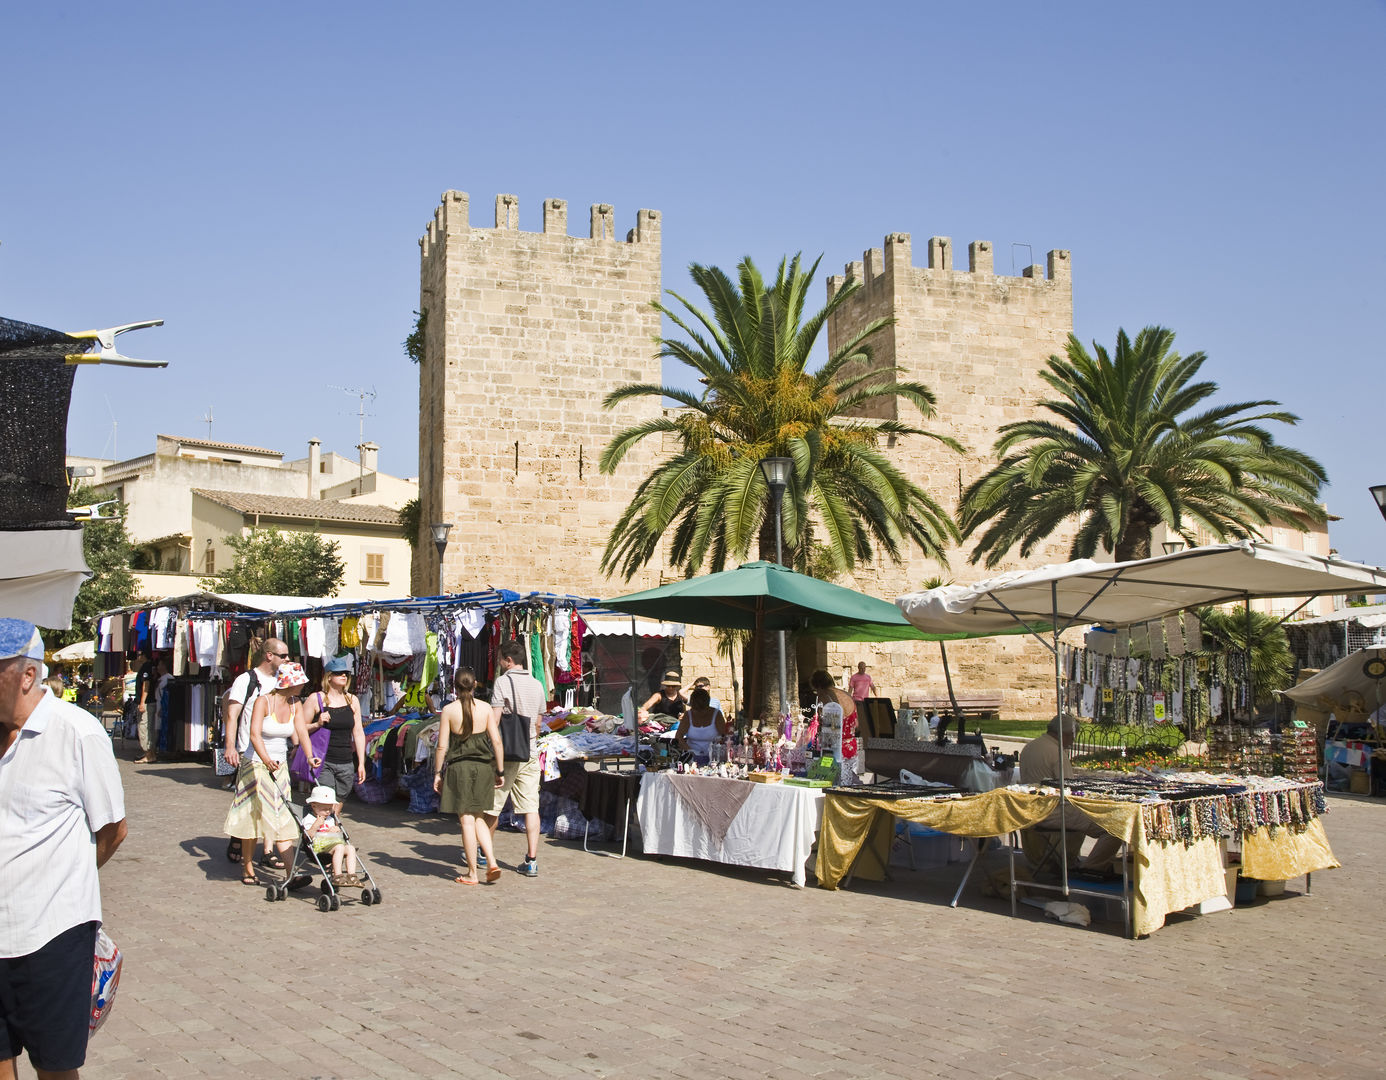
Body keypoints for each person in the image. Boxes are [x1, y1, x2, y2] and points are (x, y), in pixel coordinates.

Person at [0, 618, 127, 1079]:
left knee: (54, 1066)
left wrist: (61, 877)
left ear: (26, 676)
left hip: (52, 934)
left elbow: (113, 829)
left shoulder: (78, 733)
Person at [224, 661, 306, 886]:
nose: (302, 686)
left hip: (280, 767)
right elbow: (254, 735)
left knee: (281, 814)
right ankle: (248, 867)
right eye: (299, 682)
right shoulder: (263, 701)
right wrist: (266, 759)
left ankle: (290, 873)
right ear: (289, 683)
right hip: (256, 764)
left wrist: (309, 756)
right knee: (257, 816)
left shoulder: (295, 703)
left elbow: (301, 732)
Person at [1018, 715, 1124, 874]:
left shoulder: (1031, 746)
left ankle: (1067, 859)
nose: (1073, 741)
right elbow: (1069, 789)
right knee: (1116, 826)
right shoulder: (1056, 752)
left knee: (1083, 820)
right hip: (1053, 810)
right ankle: (1092, 866)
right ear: (1065, 734)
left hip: (1033, 807)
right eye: (1073, 737)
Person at [434, 668, 504, 886]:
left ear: (455, 686)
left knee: (466, 821)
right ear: (475, 685)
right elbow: (497, 742)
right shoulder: (485, 709)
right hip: (483, 768)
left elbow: (442, 746)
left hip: (460, 769)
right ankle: (491, 861)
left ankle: (472, 873)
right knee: (479, 817)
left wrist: (437, 773)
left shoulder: (448, 710)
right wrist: (499, 770)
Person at [221, 638, 285, 865]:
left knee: (273, 802)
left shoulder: (281, 679)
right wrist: (230, 746)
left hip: (276, 752)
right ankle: (238, 838)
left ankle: (267, 850)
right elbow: (232, 715)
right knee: (249, 802)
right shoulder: (247, 680)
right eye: (283, 656)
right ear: (269, 655)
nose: (287, 660)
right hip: (249, 751)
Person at [486, 641, 547, 878]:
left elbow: (495, 719)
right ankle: (531, 860)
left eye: (501, 659)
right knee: (531, 807)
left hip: (507, 754)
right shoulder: (537, 684)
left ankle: (485, 853)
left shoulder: (503, 682)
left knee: (492, 806)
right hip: (530, 752)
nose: (499, 663)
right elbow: (540, 723)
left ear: (509, 661)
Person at [295, 655, 366, 802]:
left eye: (345, 673)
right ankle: (323, 824)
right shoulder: (316, 699)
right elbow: (300, 729)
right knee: (326, 802)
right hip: (324, 760)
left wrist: (361, 763)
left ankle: (325, 824)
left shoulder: (352, 700)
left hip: (346, 761)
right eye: (338, 673)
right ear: (328, 677)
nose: (343, 676)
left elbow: (358, 733)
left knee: (339, 801)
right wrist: (318, 724)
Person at [301, 784, 361, 887]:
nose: (328, 812)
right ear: (314, 806)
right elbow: (307, 837)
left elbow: (334, 834)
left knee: (350, 848)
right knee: (339, 847)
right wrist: (315, 826)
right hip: (319, 847)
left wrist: (336, 830)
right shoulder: (309, 819)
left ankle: (352, 875)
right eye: (325, 809)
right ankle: (337, 876)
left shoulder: (330, 819)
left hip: (332, 844)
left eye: (330, 809)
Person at [810, 670, 862, 784]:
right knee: (849, 780)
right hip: (851, 745)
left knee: (832, 783)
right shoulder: (846, 694)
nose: (816, 694)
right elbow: (857, 724)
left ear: (818, 686)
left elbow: (830, 727)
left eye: (815, 690)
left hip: (836, 748)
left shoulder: (826, 696)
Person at [675, 687, 730, 763]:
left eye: (702, 710)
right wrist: (690, 750)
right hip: (692, 757)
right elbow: (679, 737)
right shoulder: (688, 715)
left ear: (707, 706)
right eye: (696, 710)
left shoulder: (717, 715)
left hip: (714, 758)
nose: (699, 713)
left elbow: (725, 736)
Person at [132, 649, 157, 763]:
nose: (138, 656)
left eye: (139, 654)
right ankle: (150, 753)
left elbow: (146, 685)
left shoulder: (146, 667)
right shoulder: (149, 666)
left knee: (144, 728)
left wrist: (142, 702)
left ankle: (148, 754)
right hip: (150, 702)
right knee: (149, 728)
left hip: (146, 703)